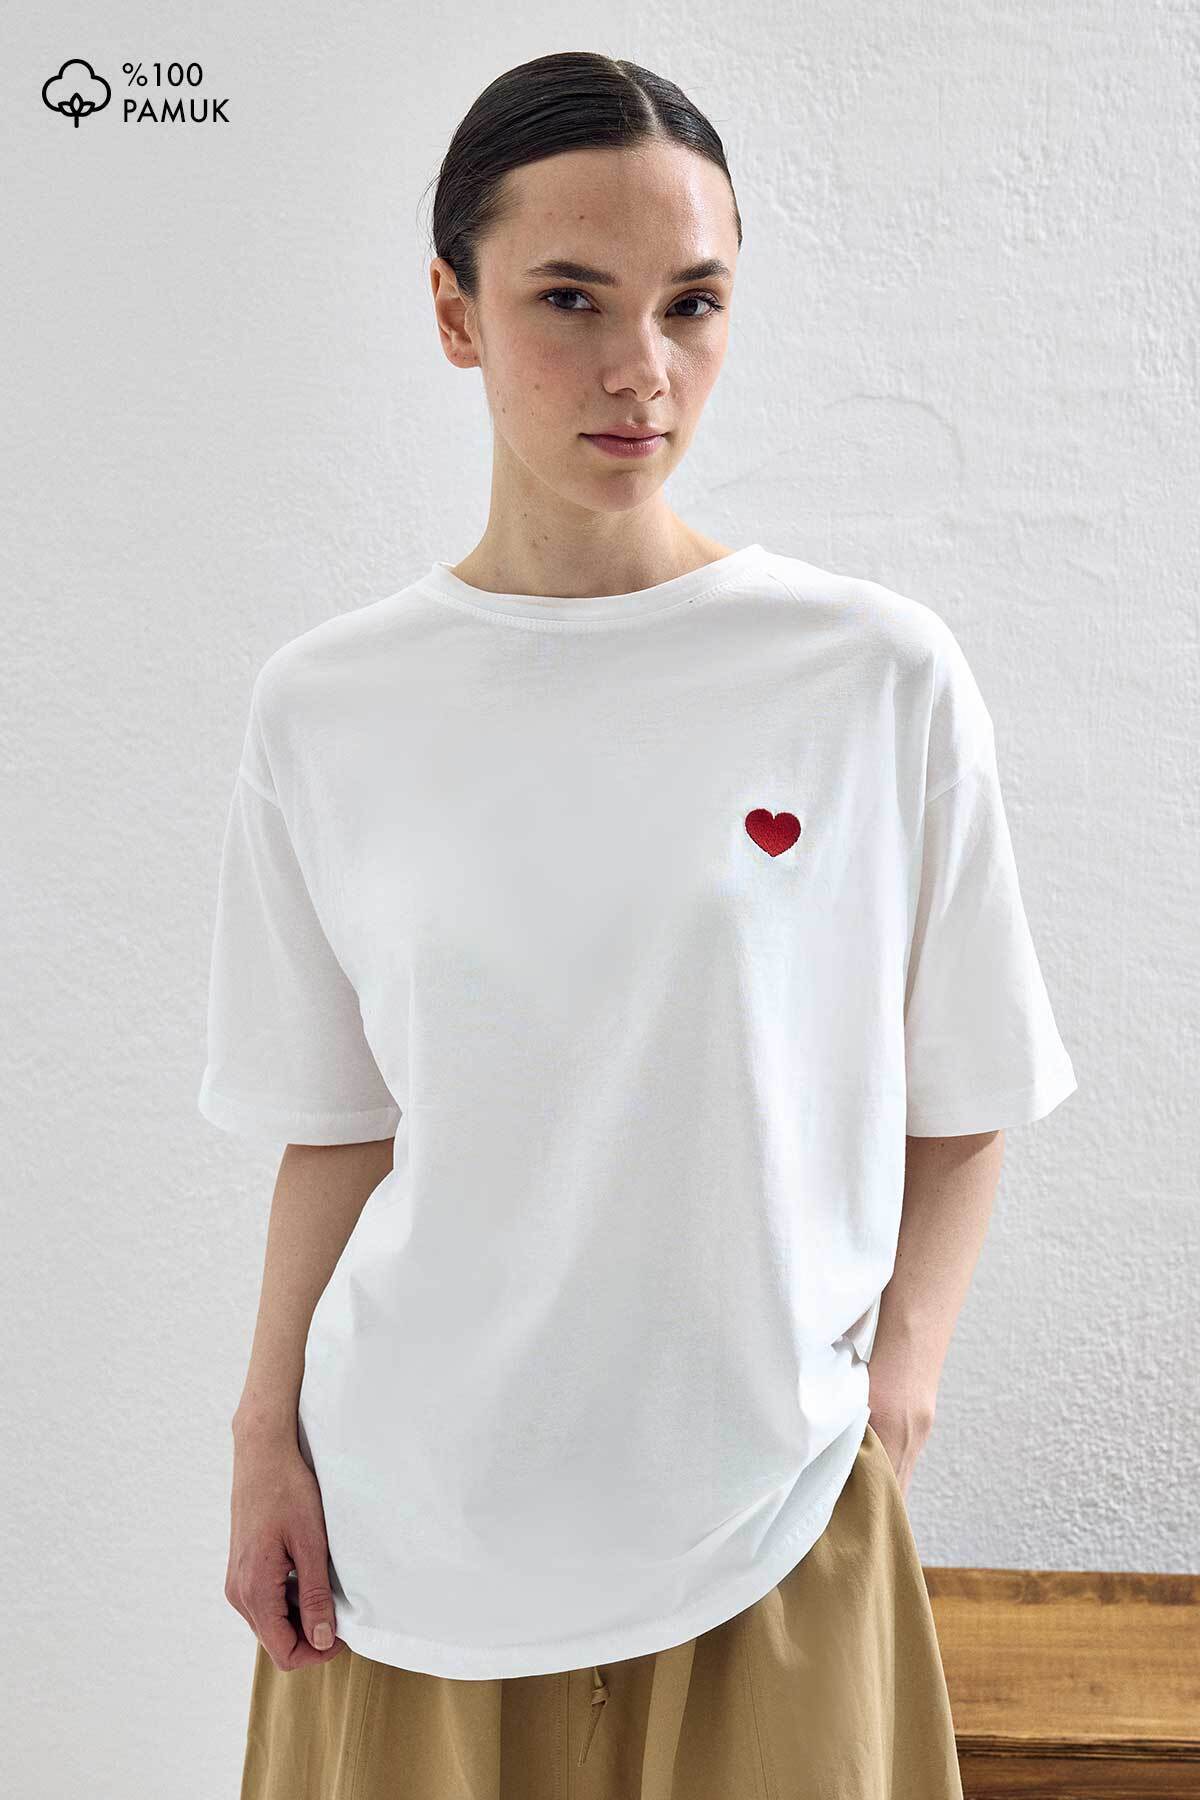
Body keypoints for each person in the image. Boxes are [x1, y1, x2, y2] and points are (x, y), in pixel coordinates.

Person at [198, 49, 1078, 1800]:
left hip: (773, 1522)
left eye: (692, 303)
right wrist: (261, 1438)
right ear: (453, 312)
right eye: (570, 299)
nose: (641, 368)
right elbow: (339, 1130)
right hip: (413, 1542)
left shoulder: (871, 675)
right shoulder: (330, 707)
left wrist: (896, 1392)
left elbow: (970, 1085)